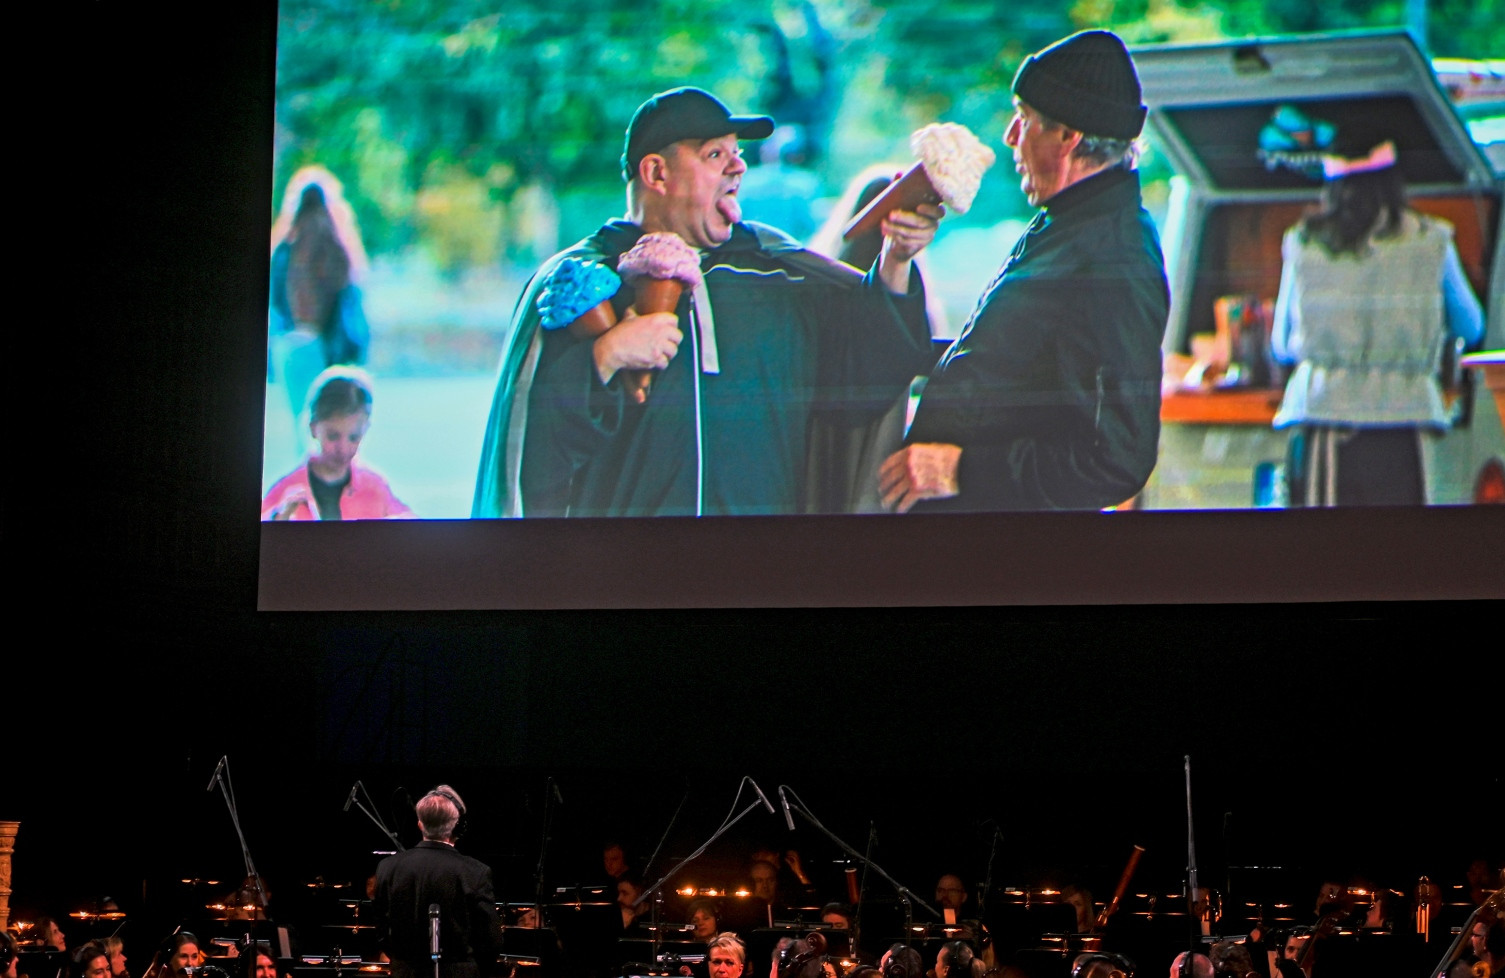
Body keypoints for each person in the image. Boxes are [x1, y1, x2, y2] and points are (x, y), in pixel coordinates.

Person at [472, 86, 940, 518]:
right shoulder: (579, 283)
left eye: (738, 154)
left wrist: (896, 260)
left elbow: (865, 379)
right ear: (656, 173)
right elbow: (530, 454)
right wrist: (605, 357)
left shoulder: (777, 271)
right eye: (715, 154)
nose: (738, 167)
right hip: (625, 570)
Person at [880, 30, 1168, 513]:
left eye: (1024, 118)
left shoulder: (1114, 258)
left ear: (1068, 137)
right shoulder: (1066, 224)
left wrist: (959, 470)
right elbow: (1013, 367)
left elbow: (1116, 460)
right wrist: (898, 260)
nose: (1010, 137)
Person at [1270, 137, 1486, 506]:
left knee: (1325, 542)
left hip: (1326, 418)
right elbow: (1471, 326)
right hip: (1405, 425)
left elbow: (1281, 344)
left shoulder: (1305, 243)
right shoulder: (1431, 239)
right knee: (1399, 541)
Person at [268, 166, 371, 435]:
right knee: (327, 426)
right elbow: (350, 301)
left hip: (289, 345)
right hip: (325, 347)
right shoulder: (338, 250)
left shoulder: (284, 249)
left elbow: (275, 301)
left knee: (301, 425)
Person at [372, 785, 499, 978]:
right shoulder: (476, 871)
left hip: (405, 972)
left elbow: (381, 928)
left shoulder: (387, 867)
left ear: (420, 824)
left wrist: (403, 961)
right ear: (457, 826)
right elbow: (490, 940)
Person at [261, 366, 414, 520]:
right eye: (333, 436)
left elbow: (412, 523)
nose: (343, 448)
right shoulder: (286, 490)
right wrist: (279, 519)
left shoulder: (375, 488)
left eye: (354, 437)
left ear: (365, 430)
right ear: (313, 428)